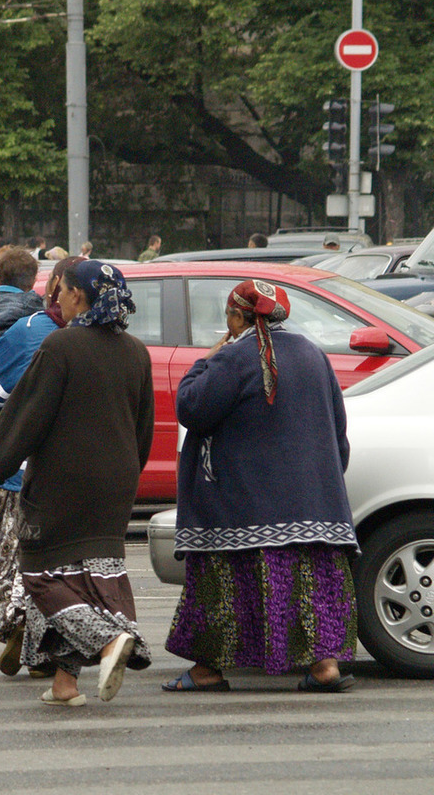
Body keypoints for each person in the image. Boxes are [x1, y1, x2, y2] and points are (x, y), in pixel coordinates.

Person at [163, 280, 358, 694]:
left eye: (229, 318)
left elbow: (192, 408)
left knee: (223, 588)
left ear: (238, 317)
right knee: (310, 589)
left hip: (245, 505)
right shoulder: (313, 353)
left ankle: (206, 671)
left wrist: (205, 360)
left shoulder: (233, 358)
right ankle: (325, 668)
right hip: (313, 503)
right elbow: (337, 429)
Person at [0, 259, 155, 707]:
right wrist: (127, 476)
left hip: (63, 484)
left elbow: (25, 418)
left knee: (40, 572)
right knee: (91, 575)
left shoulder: (61, 347)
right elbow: (143, 430)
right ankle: (64, 683)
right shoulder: (136, 351)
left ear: (81, 296)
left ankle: (109, 640)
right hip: (115, 485)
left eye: (63, 290)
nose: (54, 297)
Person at [0, 249, 59, 677]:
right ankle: (45, 644)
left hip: (12, 467)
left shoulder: (25, 330)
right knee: (51, 558)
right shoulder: (98, 340)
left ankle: (15, 622)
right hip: (62, 472)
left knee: (6, 554)